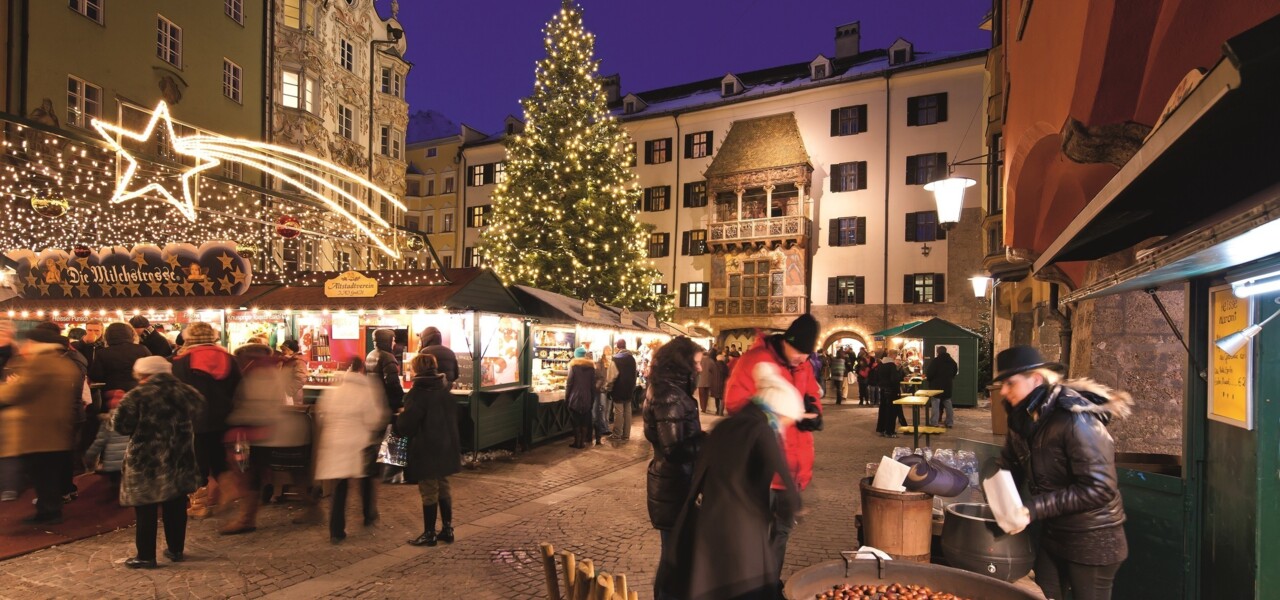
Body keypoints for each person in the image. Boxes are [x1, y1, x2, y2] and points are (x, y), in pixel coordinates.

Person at [994, 346, 1132, 600]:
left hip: (1093, 540)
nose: (1003, 391)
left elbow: (1099, 488)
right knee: (1044, 594)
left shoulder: (1075, 419)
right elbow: (1009, 465)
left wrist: (1032, 509)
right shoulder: (1022, 418)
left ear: (1035, 379)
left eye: (1010, 383)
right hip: (1054, 534)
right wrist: (995, 496)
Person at [656, 363, 803, 600]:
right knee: (744, 587)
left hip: (706, 520)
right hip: (740, 529)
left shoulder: (727, 424)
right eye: (787, 419)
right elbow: (783, 479)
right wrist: (792, 506)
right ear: (778, 411)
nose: (787, 425)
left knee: (708, 582)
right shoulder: (762, 430)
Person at [723, 314, 824, 581]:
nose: (803, 359)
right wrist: (771, 415)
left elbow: (812, 394)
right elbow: (734, 404)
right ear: (787, 341)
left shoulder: (803, 366)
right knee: (755, 535)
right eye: (800, 352)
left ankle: (769, 584)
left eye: (807, 354)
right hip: (764, 469)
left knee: (781, 533)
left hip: (793, 470)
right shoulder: (755, 361)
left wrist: (814, 411)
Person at [111, 356, 202, 568]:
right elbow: (200, 412)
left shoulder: (137, 395)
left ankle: (145, 556)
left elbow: (121, 426)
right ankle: (176, 549)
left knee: (146, 508)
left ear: (142, 373)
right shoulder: (186, 392)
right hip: (180, 456)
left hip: (146, 459)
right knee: (177, 504)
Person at [0, 327, 81, 524]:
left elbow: (18, 391)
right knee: (49, 473)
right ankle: (50, 509)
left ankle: (48, 512)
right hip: (58, 428)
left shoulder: (40, 364)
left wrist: (6, 388)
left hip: (39, 430)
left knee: (42, 475)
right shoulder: (65, 364)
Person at [643, 337, 705, 585]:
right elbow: (673, 449)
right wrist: (708, 442)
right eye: (697, 363)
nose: (700, 368)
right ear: (683, 363)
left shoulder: (672, 390)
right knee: (673, 556)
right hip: (673, 484)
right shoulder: (669, 394)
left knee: (678, 553)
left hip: (676, 482)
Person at [171, 322, 242, 519]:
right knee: (220, 457)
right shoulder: (230, 359)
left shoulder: (180, 362)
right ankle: (228, 490)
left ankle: (199, 505)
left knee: (195, 460)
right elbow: (238, 387)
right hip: (224, 417)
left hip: (193, 419)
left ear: (188, 337)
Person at [315, 359, 388, 544]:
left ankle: (336, 530)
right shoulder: (368, 390)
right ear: (362, 369)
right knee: (365, 480)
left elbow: (322, 415)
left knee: (340, 487)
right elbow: (373, 419)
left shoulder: (333, 391)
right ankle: (368, 514)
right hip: (359, 444)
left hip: (336, 443)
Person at [396, 353, 462, 547]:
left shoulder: (417, 394)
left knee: (429, 490)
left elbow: (407, 425)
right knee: (443, 486)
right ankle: (447, 529)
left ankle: (429, 533)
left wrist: (400, 418)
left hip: (426, 449)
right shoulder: (444, 390)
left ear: (416, 369)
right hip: (446, 447)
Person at [89, 322, 152, 407]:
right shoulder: (142, 349)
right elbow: (151, 370)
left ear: (107, 336)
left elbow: (96, 376)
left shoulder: (102, 353)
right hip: (138, 391)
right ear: (130, 334)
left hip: (113, 394)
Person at [366, 329, 405, 414]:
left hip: (374, 401)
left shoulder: (370, 354)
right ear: (387, 340)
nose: (394, 343)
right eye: (393, 340)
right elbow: (393, 383)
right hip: (386, 403)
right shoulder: (387, 357)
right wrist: (400, 403)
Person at [565, 347, 596, 448]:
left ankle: (576, 442)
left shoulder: (573, 366)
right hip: (587, 396)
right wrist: (592, 399)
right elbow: (592, 385)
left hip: (575, 397)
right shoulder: (591, 367)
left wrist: (567, 397)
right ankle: (582, 442)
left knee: (576, 421)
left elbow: (569, 383)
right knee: (585, 421)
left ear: (576, 355)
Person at [873, 350, 907, 437]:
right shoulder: (891, 365)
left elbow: (876, 377)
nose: (896, 357)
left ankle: (882, 429)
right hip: (892, 390)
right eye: (896, 355)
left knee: (883, 410)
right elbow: (894, 379)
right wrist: (901, 377)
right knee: (891, 411)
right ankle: (889, 431)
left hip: (883, 390)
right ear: (893, 355)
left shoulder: (881, 364)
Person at [610, 339, 638, 441]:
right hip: (629, 388)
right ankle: (626, 435)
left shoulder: (615, 359)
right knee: (627, 411)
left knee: (618, 412)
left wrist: (608, 387)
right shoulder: (632, 359)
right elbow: (635, 374)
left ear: (617, 347)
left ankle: (617, 434)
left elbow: (612, 375)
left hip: (618, 388)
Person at [925, 346, 959, 427]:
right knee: (948, 404)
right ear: (946, 351)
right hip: (948, 385)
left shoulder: (935, 361)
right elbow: (954, 372)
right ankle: (949, 422)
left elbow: (929, 374)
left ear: (938, 352)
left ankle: (934, 422)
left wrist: (929, 379)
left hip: (936, 386)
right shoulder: (952, 361)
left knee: (935, 404)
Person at [593, 343, 617, 442]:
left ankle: (606, 427)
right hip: (602, 389)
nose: (609, 352)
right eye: (607, 351)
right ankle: (603, 428)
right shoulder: (600, 362)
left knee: (607, 409)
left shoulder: (613, 362)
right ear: (604, 352)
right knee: (602, 409)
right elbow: (599, 375)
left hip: (609, 389)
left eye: (610, 351)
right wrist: (603, 383)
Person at [278, 339, 308, 404]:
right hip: (282, 395)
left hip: (292, 397)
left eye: (284, 350)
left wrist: (289, 391)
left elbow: (301, 378)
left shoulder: (299, 361)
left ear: (291, 351)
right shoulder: (283, 360)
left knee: (291, 413)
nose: (282, 352)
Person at [709, 351, 728, 416]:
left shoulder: (713, 365)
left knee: (716, 398)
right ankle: (721, 411)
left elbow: (710, 371)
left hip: (714, 384)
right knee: (722, 398)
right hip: (723, 384)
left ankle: (717, 410)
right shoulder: (725, 366)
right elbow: (727, 374)